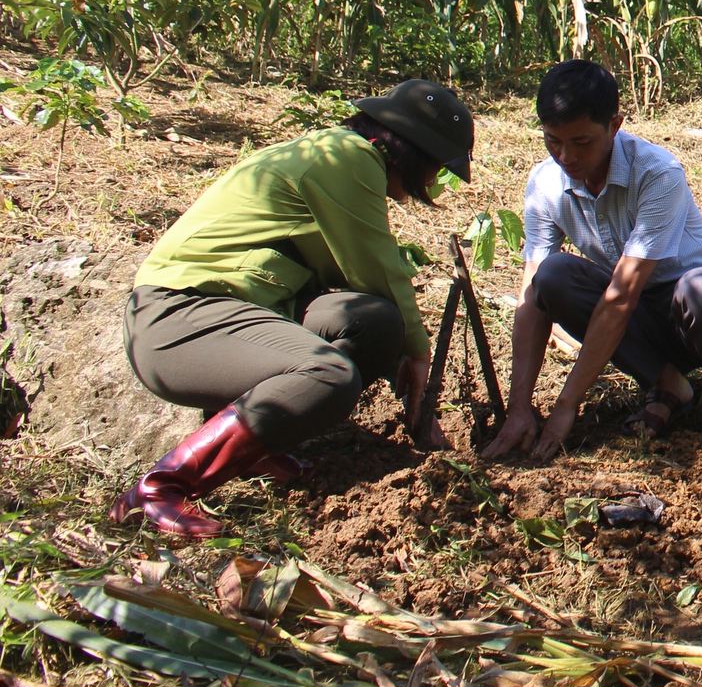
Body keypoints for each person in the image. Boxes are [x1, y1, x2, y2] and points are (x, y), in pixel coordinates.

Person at [116, 80, 474, 538]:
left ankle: (257, 450)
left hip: (232, 312)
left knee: (374, 322)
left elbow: (362, 289)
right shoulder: (347, 158)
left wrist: (401, 345)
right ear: (416, 152)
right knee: (328, 376)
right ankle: (161, 488)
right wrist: (419, 354)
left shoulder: (332, 151)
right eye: (437, 168)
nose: (432, 182)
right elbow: (378, 266)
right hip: (177, 317)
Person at [483, 60, 702, 460]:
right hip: (637, 320)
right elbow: (531, 299)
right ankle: (668, 385)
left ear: (615, 126)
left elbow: (621, 296)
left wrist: (566, 406)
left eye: (582, 142)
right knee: (552, 276)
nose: (566, 156)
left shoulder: (656, 172)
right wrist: (519, 408)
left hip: (701, 316)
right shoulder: (544, 185)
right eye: (553, 141)